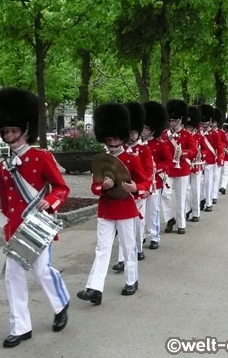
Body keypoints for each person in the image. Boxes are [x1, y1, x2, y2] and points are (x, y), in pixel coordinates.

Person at [0, 87, 70, 348]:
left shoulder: (41, 157)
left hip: (38, 224)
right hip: (17, 228)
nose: (10, 136)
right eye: (6, 131)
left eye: (14, 131)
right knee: (13, 275)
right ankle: (20, 326)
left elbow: (62, 188)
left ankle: (61, 303)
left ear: (25, 130)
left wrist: (50, 201)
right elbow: (5, 203)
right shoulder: (3, 166)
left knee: (42, 271)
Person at [77, 103, 149, 304]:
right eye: (109, 139)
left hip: (126, 209)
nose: (113, 142)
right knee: (102, 248)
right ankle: (95, 288)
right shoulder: (101, 160)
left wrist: (135, 188)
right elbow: (94, 187)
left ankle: (132, 279)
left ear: (122, 137)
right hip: (106, 209)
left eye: (116, 138)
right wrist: (104, 187)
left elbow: (146, 182)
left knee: (128, 247)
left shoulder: (132, 159)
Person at [112, 101, 152, 270]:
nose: (133, 135)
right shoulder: (118, 152)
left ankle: (139, 249)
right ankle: (122, 259)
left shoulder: (144, 150)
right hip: (123, 193)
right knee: (124, 227)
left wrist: (142, 189)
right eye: (131, 132)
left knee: (139, 223)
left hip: (138, 191)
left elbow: (148, 172)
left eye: (136, 132)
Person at [161, 99, 197, 233]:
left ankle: (181, 223)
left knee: (181, 197)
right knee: (165, 195)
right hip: (168, 170)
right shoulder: (165, 135)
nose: (172, 123)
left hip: (182, 169)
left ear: (181, 120)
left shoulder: (187, 135)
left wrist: (184, 152)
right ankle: (169, 219)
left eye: (175, 121)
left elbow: (193, 151)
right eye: (171, 120)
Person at [141, 101, 172, 249]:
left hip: (155, 183)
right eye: (143, 128)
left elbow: (168, 161)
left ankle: (154, 236)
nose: (143, 131)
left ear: (153, 129)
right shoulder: (138, 145)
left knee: (153, 211)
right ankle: (140, 236)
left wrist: (156, 168)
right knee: (140, 212)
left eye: (146, 129)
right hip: (141, 183)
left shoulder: (159, 144)